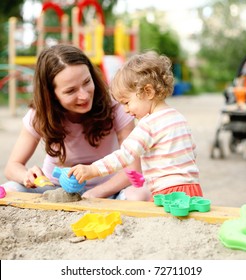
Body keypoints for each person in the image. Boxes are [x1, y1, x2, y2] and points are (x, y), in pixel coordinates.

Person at [3, 44, 149, 200]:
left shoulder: (116, 105)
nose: (84, 96)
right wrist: (27, 176)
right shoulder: (39, 115)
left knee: (142, 194)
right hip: (54, 189)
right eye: (70, 91)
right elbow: (12, 166)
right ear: (51, 95)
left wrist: (96, 193)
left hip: (108, 189)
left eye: (87, 82)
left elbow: (133, 169)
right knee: (9, 189)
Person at [68, 51, 203, 201]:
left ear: (148, 91)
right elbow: (191, 151)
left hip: (167, 192)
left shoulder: (148, 124)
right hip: (193, 189)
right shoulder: (178, 117)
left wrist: (93, 169)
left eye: (127, 102)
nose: (125, 109)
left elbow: (124, 156)